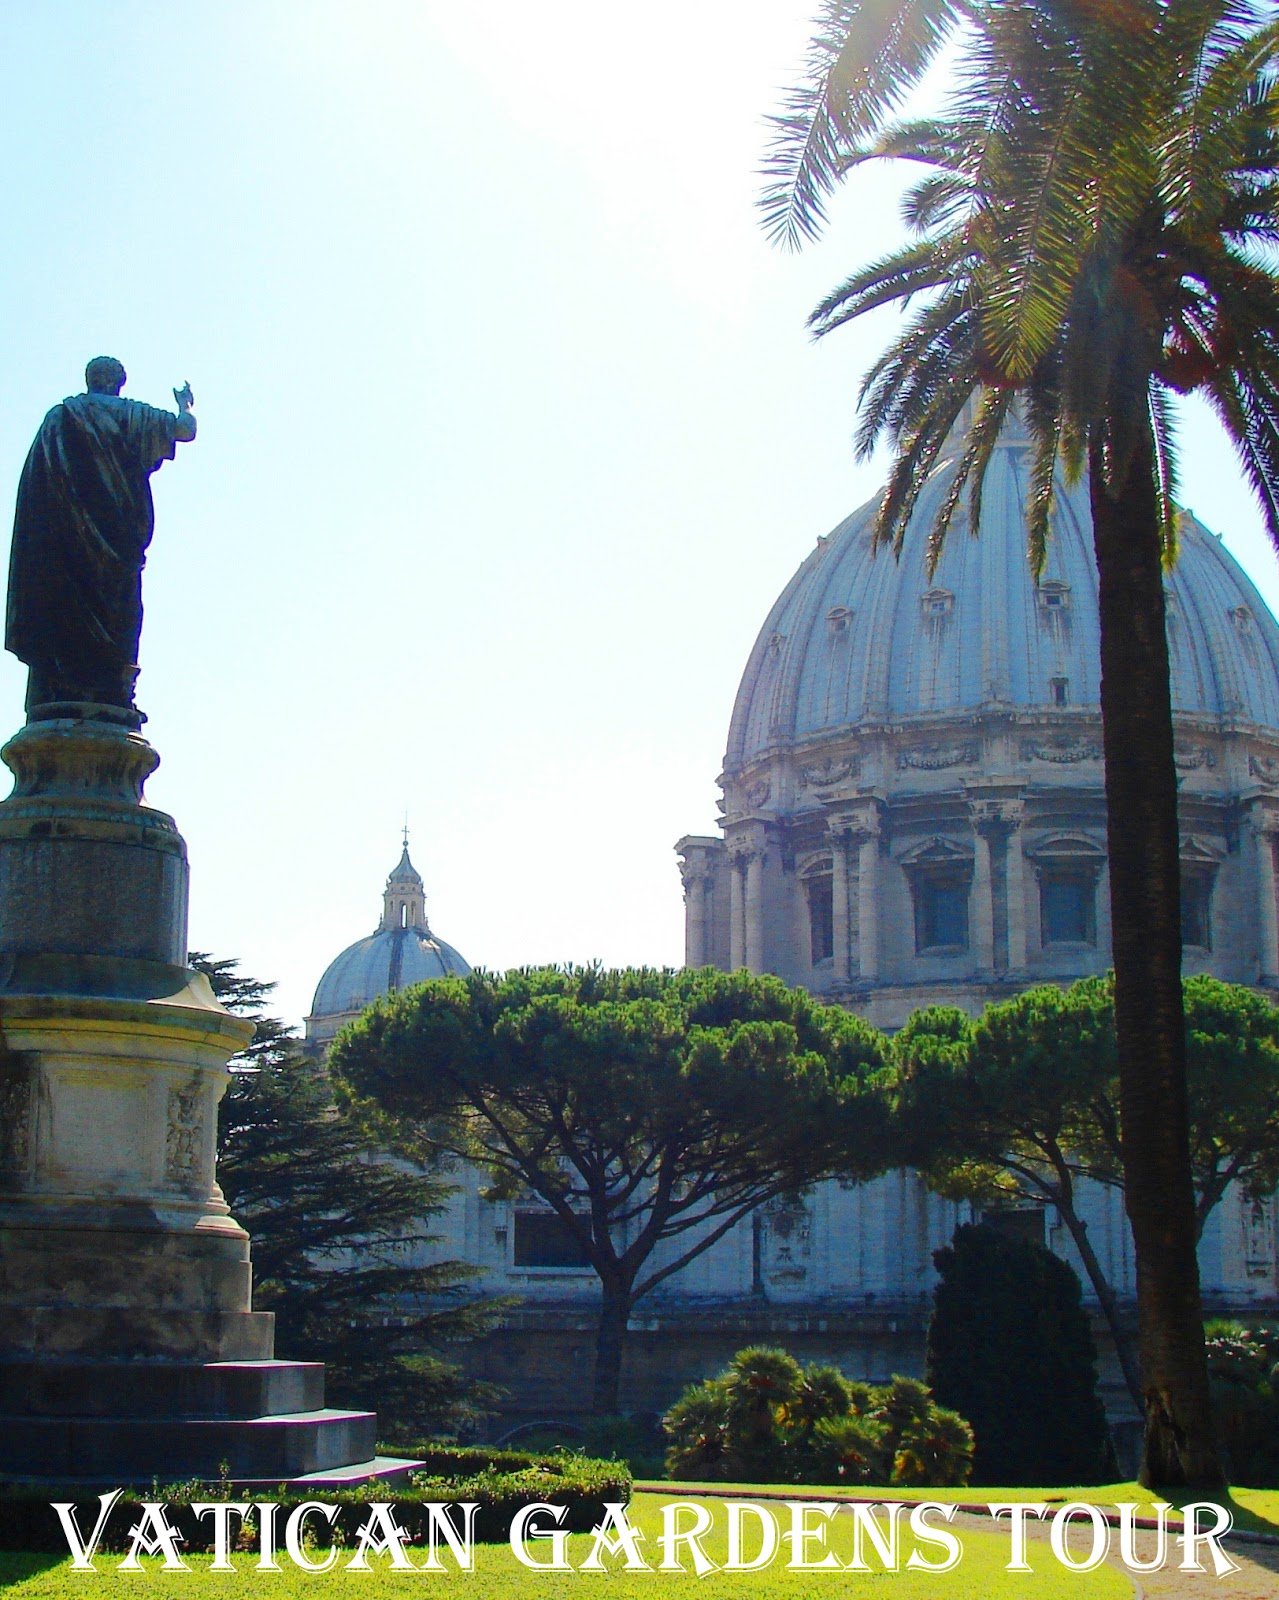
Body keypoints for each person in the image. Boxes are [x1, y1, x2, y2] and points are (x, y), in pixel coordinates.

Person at [5, 357, 196, 713]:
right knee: (121, 609)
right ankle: (114, 688)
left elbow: (34, 489)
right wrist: (185, 404)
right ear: (119, 383)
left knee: (63, 607)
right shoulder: (134, 415)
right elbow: (185, 429)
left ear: (89, 380)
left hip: (64, 541)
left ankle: (59, 687)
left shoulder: (61, 418)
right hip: (120, 540)